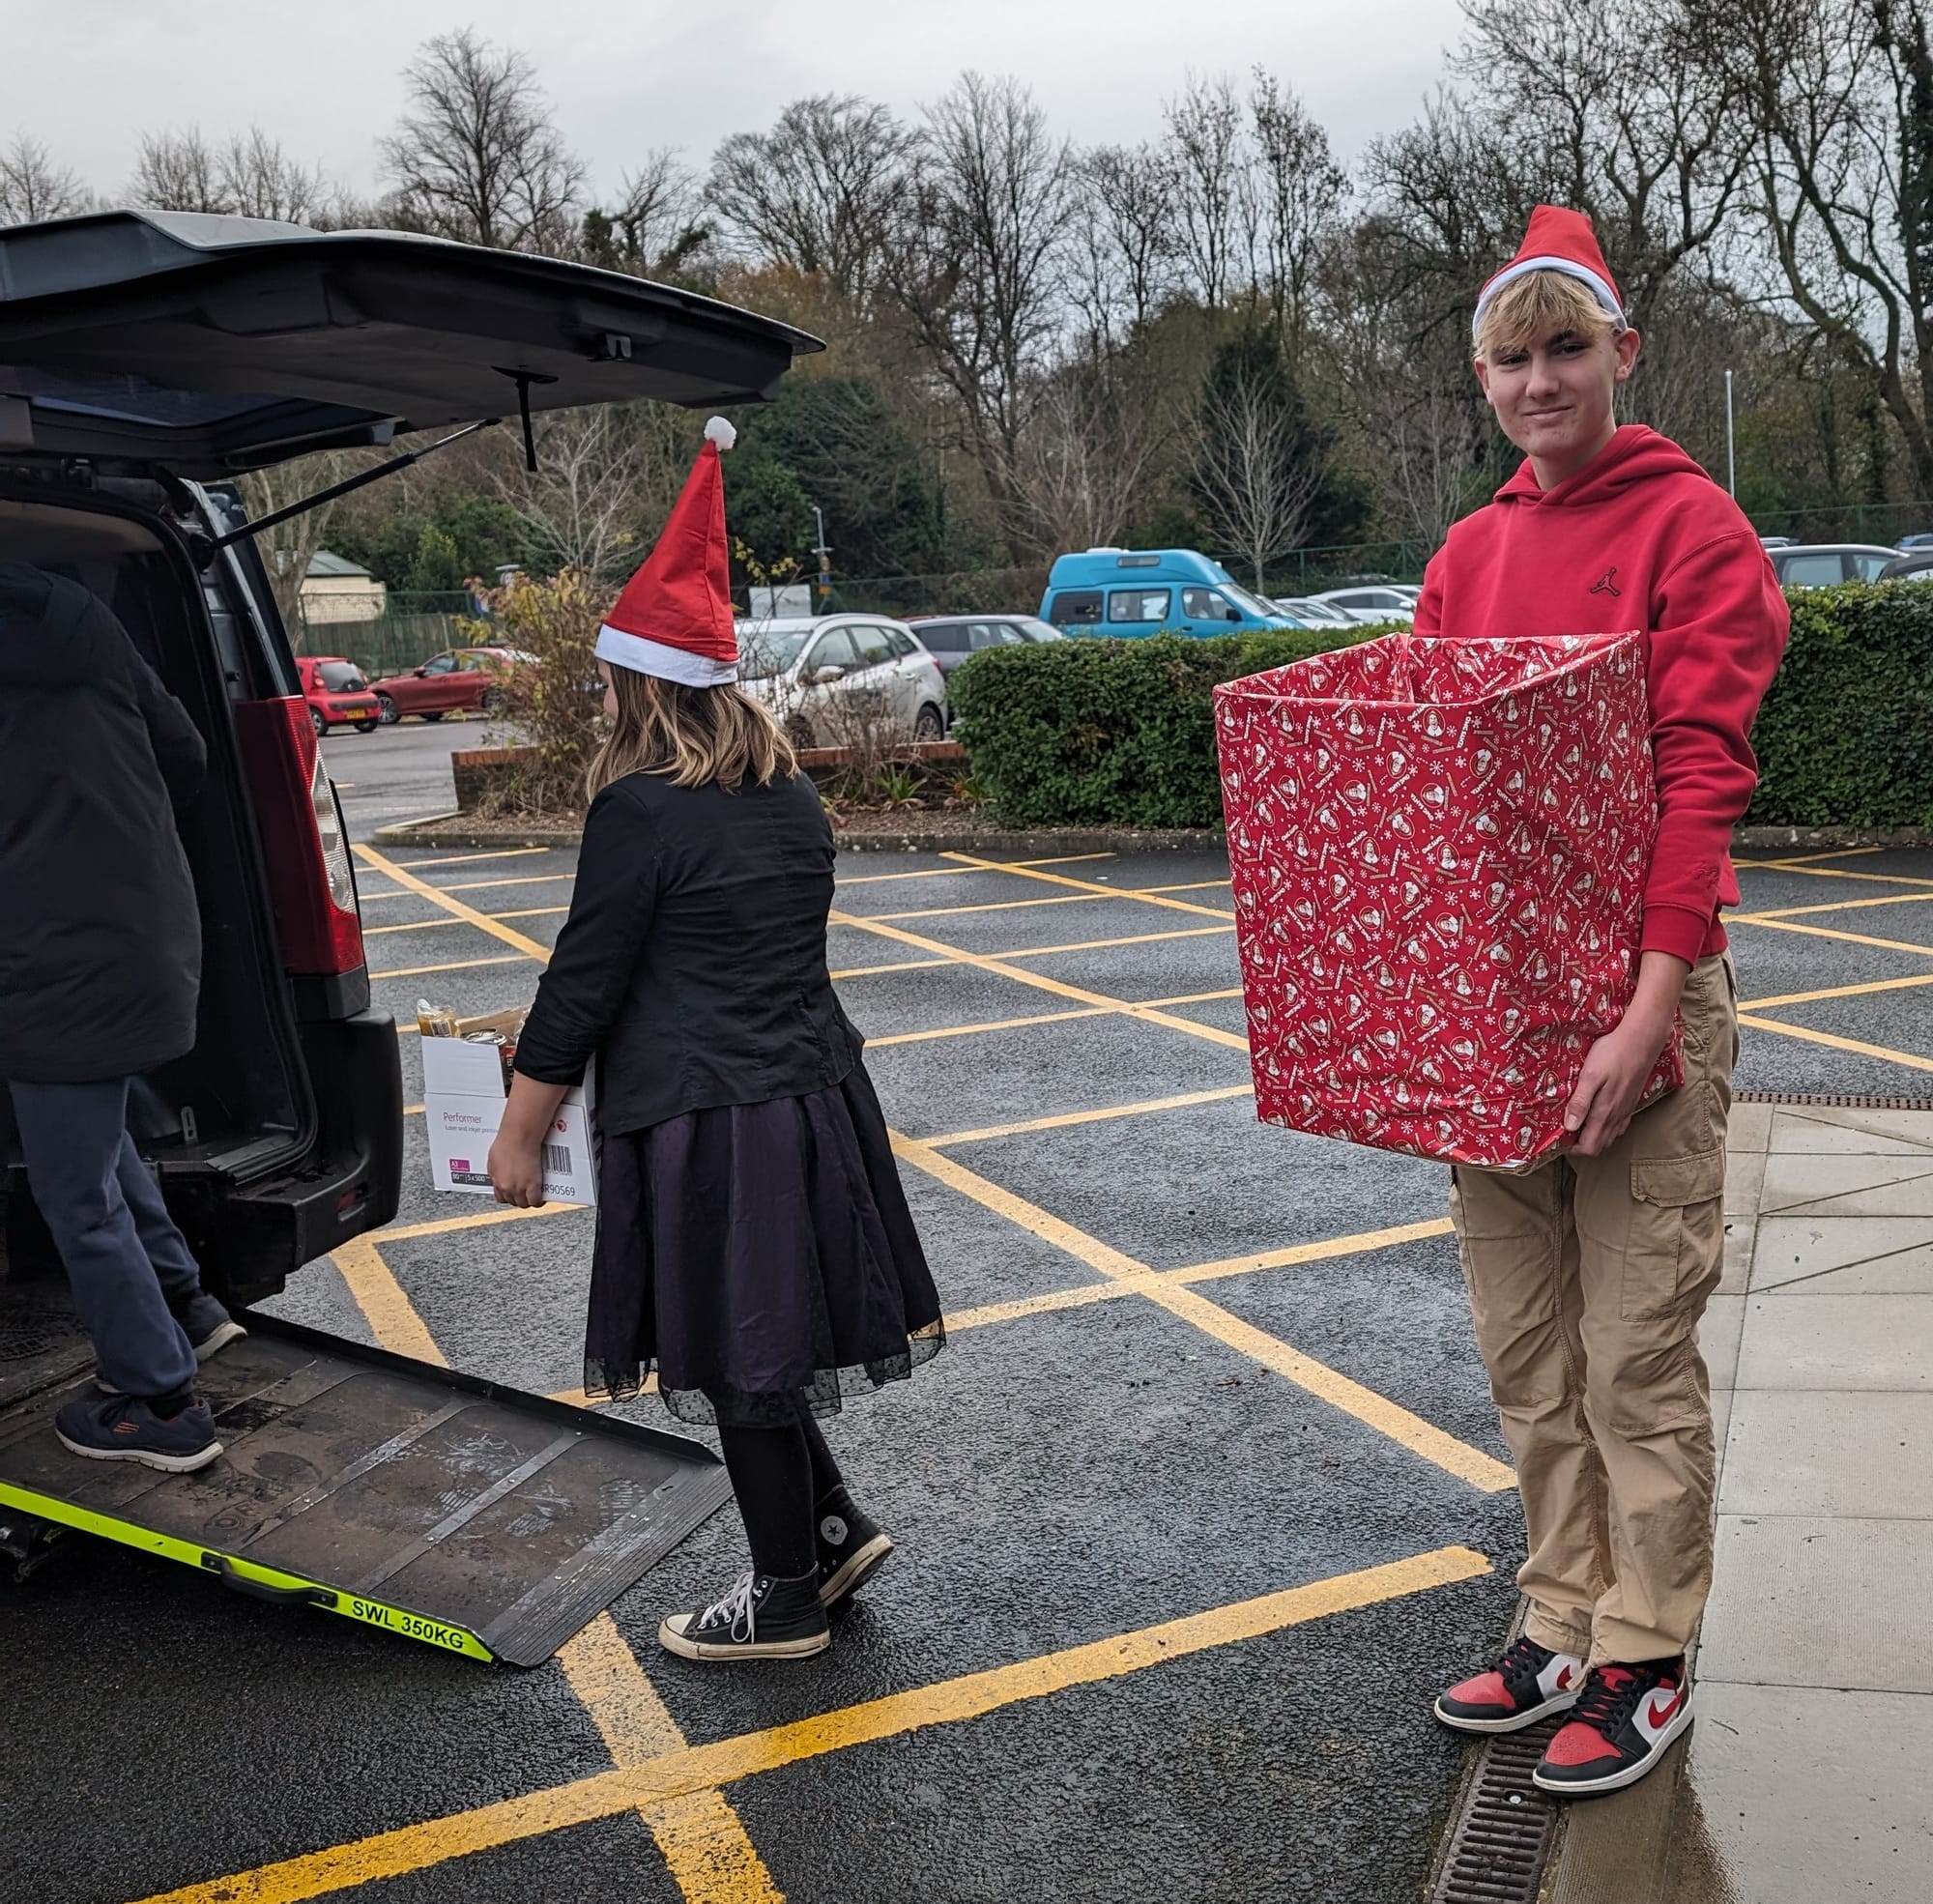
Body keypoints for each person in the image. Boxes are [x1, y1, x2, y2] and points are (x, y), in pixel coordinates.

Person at [1416, 210, 1787, 1796]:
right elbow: (1428, 791)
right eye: (1513, 355)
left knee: (1634, 1353)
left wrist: (1650, 1011)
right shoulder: (1466, 554)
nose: (1540, 380)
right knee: (1529, 1343)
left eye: (1568, 347)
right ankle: (1562, 1613)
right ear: (1483, 374)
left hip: (1641, 997)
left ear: (1623, 353)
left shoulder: (1695, 530)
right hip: (1499, 1009)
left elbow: (1700, 780)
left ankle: (1646, 1650)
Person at [487, 418, 943, 1662]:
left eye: (605, 679)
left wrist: (518, 1130)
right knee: (765, 1327)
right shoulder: (786, 792)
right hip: (809, 1096)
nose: (599, 696)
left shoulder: (640, 810)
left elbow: (584, 983)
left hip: (707, 1117)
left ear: (640, 683)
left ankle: (783, 1596)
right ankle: (831, 1525)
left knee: (740, 1345)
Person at [0, 562, 245, 1475]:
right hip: (151, 938)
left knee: (76, 1196)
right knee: (99, 1147)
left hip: (48, 964)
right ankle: (188, 1308)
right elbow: (186, 753)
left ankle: (160, 1403)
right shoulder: (81, 618)